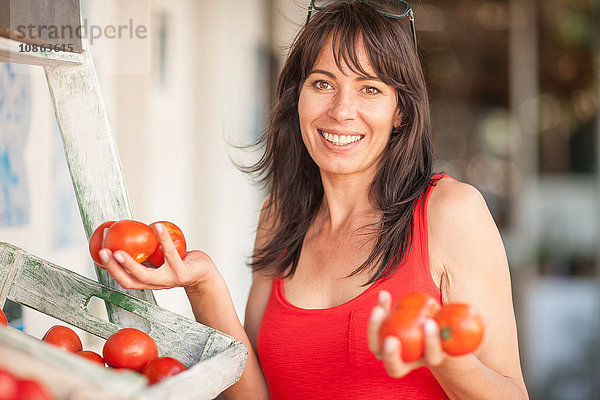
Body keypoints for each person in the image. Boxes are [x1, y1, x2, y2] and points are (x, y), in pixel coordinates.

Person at [99, 1, 529, 399]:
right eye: (323, 83)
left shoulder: (451, 213)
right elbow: (254, 395)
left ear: (401, 110)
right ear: (297, 98)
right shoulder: (281, 216)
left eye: (370, 89)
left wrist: (440, 359)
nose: (342, 110)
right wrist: (203, 284)